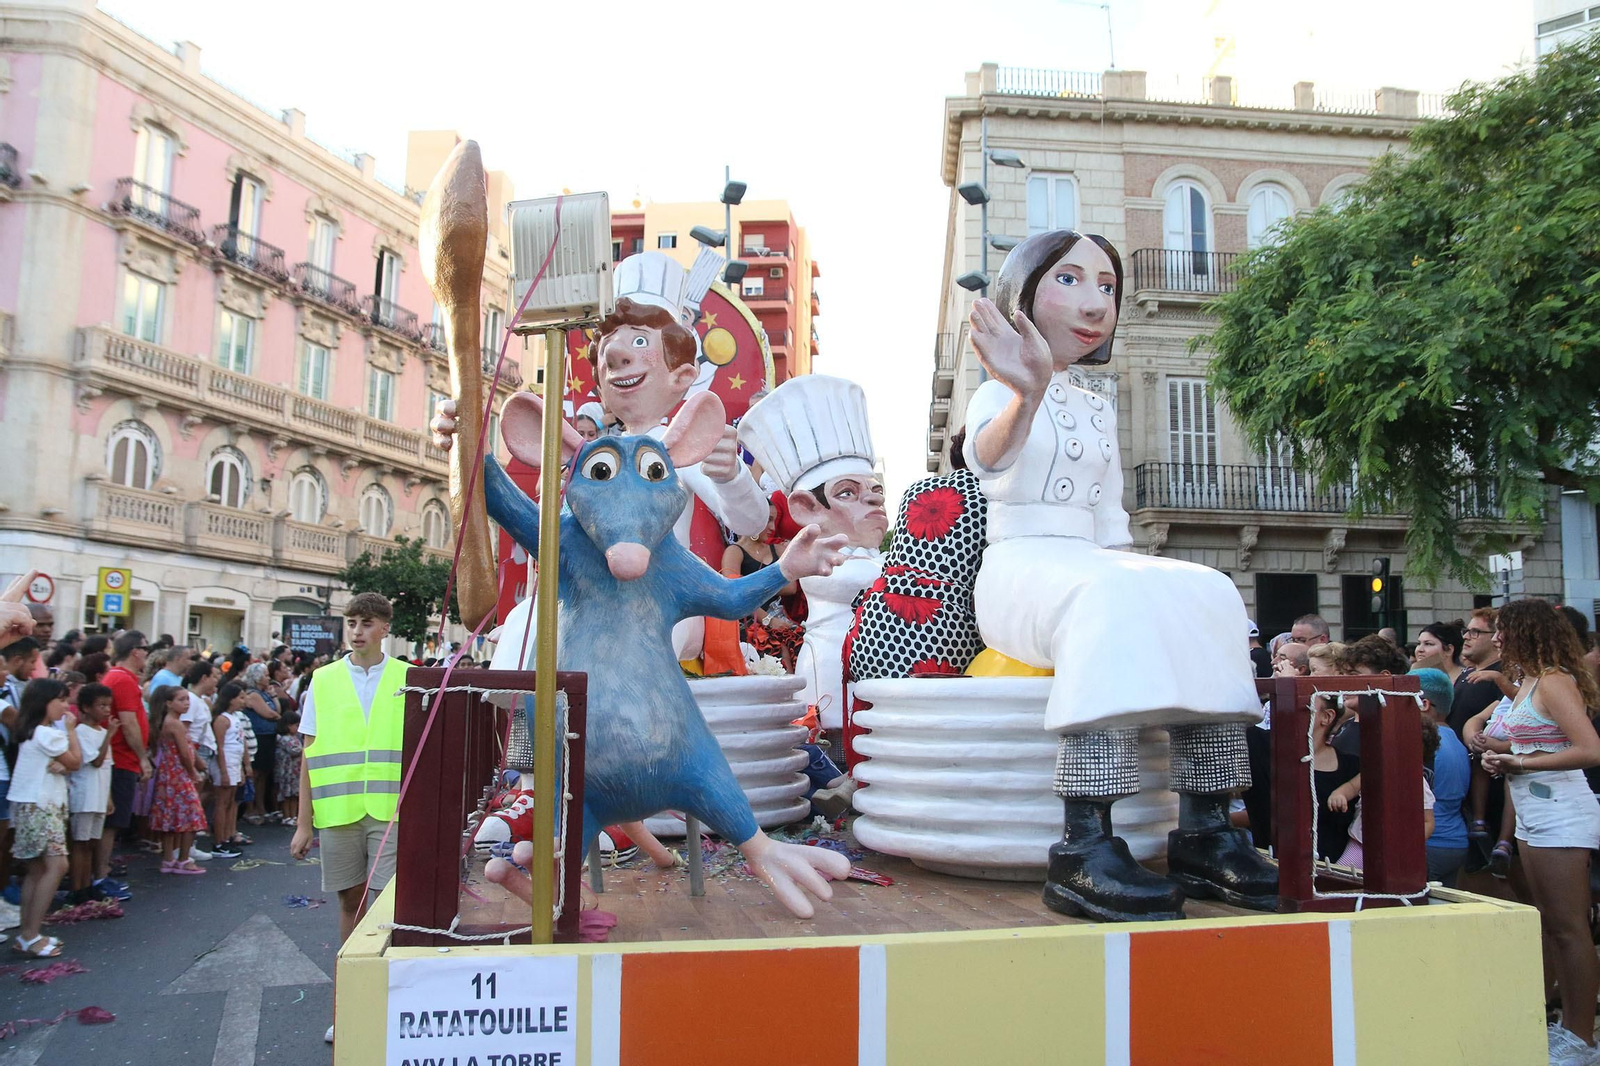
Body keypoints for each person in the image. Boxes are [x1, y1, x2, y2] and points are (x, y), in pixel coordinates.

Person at [958, 229, 1273, 922]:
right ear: (1025, 290)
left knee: (1211, 590)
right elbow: (986, 463)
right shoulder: (998, 394)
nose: (1094, 302)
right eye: (1069, 280)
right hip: (1021, 566)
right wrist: (1028, 393)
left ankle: (1207, 824)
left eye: (1107, 286)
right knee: (1108, 596)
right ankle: (1085, 840)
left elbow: (1110, 518)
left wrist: (1140, 568)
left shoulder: (1098, 405)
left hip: (1091, 560)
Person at [1477, 599, 1600, 1063]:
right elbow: (1531, 739)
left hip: (1561, 812)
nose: (1497, 638)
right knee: (1551, 924)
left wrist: (1519, 760)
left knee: (1570, 928)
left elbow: (1590, 749)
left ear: (1526, 631)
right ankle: (1567, 1025)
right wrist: (1499, 753)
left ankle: (1582, 1037)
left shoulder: (1552, 681)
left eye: (1503, 630)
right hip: (1533, 812)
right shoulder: (1530, 680)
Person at [739, 375, 888, 745]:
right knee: (836, 743)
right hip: (831, 668)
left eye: (875, 490)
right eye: (848, 493)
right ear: (807, 508)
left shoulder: (881, 556)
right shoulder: (819, 558)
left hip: (881, 672)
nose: (872, 500)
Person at [290, 592, 410, 1045]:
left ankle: (384, 1004)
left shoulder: (406, 677)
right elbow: (308, 755)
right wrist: (304, 824)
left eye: (366, 623)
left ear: (384, 628)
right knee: (347, 905)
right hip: (338, 812)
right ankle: (348, 1008)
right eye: (352, 622)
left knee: (383, 908)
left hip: (389, 810)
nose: (357, 631)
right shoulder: (322, 680)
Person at [8, 678, 81, 956]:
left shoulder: (33, 732)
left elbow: (63, 765)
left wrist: (62, 766)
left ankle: (28, 932)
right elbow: (75, 761)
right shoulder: (48, 733)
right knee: (57, 865)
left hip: (29, 805)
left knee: (37, 869)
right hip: (42, 806)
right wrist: (72, 731)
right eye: (60, 700)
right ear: (43, 703)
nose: (66, 706)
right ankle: (30, 934)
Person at [720, 500, 803, 670]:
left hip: (779, 618)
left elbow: (791, 587)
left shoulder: (778, 550)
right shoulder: (734, 552)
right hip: (748, 621)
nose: (773, 526)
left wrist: (748, 584)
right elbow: (734, 593)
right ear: (753, 520)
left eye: (774, 520)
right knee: (777, 651)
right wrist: (767, 619)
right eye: (768, 520)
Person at [1410, 667, 1471, 887]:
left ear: (1424, 704)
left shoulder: (1425, 744)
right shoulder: (1456, 740)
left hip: (1429, 844)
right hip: (1456, 843)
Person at [101, 632, 151, 872]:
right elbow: (128, 723)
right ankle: (101, 870)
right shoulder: (122, 680)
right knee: (112, 821)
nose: (147, 654)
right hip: (120, 758)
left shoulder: (120, 678)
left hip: (120, 757)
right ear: (135, 651)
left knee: (114, 820)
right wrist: (142, 758)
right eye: (145, 649)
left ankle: (103, 867)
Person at [147, 685, 208, 875]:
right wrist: (193, 772)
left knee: (170, 815)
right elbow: (183, 752)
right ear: (169, 703)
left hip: (168, 773)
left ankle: (168, 858)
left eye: (187, 699)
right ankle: (183, 858)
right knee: (191, 815)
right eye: (181, 700)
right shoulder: (175, 724)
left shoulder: (166, 722)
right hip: (178, 773)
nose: (186, 703)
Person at [66, 682, 114, 902]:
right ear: (85, 707)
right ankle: (78, 887)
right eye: (101, 705)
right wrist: (110, 736)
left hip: (99, 795)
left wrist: (109, 797)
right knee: (81, 843)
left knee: (92, 843)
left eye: (108, 706)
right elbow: (96, 760)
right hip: (84, 795)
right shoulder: (81, 732)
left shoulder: (102, 732)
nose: (106, 710)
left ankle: (87, 883)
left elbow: (107, 767)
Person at [207, 682, 249, 859]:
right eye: (240, 697)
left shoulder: (235, 717)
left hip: (234, 763)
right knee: (221, 803)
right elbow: (220, 746)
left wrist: (243, 767)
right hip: (226, 763)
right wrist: (223, 771)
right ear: (230, 699)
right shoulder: (222, 719)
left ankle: (226, 836)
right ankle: (218, 842)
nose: (243, 700)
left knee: (230, 802)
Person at [239, 662, 282, 823]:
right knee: (255, 774)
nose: (268, 677)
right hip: (258, 736)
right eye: (265, 675)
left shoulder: (265, 694)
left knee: (264, 774)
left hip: (269, 736)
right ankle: (250, 809)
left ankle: (261, 807)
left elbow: (277, 711)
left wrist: (274, 697)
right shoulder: (253, 694)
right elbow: (269, 714)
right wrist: (274, 714)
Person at [275, 708, 303, 827]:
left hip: (296, 771)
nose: (297, 728)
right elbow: (293, 750)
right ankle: (287, 816)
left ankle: (294, 815)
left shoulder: (295, 738)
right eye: (296, 725)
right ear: (288, 725)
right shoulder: (284, 739)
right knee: (287, 795)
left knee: (295, 795)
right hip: (288, 772)